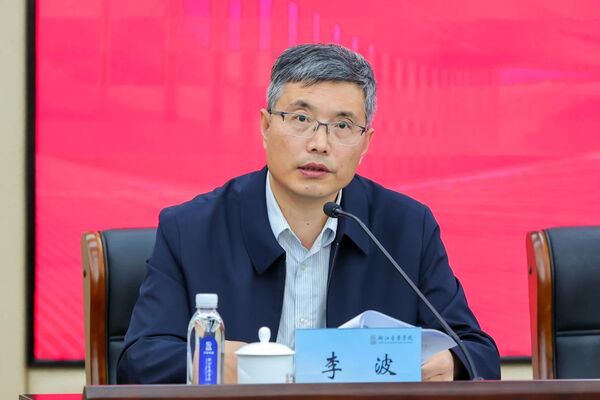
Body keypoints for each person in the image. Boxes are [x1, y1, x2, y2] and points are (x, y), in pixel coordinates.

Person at [117, 43, 501, 384]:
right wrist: (214, 361)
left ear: (365, 143)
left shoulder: (406, 228)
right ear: (266, 126)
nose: (319, 144)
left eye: (342, 125)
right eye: (301, 119)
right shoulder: (190, 230)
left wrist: (450, 364)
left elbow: (476, 352)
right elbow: (139, 361)